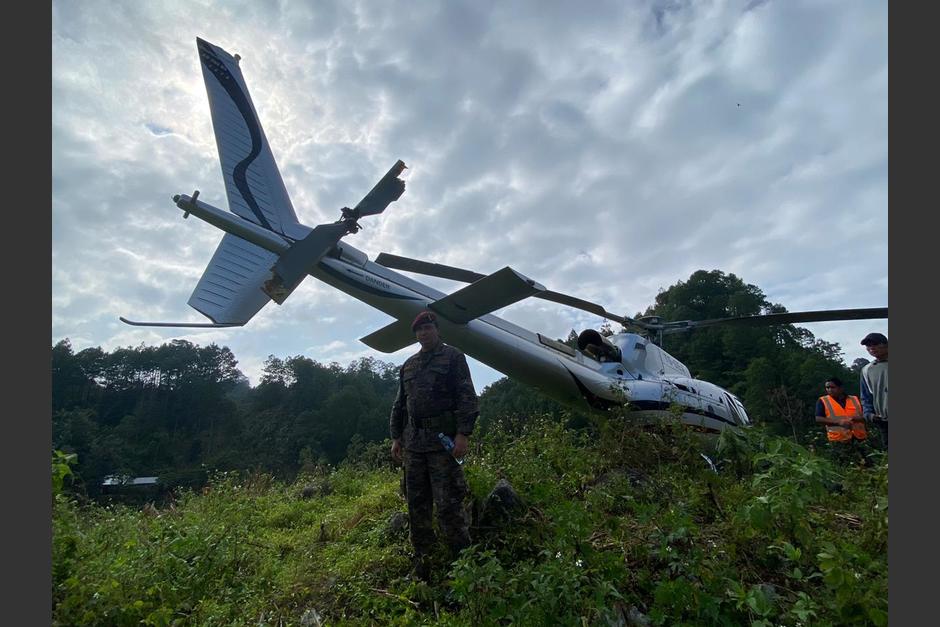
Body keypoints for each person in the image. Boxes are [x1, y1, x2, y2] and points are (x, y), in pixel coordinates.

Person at [390, 310, 479, 581]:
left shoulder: (453, 358)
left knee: (449, 505)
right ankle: (423, 565)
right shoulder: (408, 365)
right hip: (414, 445)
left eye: (427, 328)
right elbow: (400, 403)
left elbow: (467, 397)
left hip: (444, 445)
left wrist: (463, 434)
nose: (423, 334)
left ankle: (462, 567)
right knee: (417, 507)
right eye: (419, 330)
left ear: (436, 330)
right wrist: (396, 437)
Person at [815, 377, 868, 465]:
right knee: (844, 466)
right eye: (827, 388)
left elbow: (866, 416)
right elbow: (818, 418)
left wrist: (856, 419)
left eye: (832, 387)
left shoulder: (854, 399)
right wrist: (839, 422)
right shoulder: (823, 401)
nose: (829, 390)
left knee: (866, 464)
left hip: (859, 438)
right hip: (838, 439)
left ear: (840, 388)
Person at [859, 332, 889, 449]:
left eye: (875, 344)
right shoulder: (866, 370)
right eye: (868, 345)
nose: (872, 348)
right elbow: (866, 396)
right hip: (884, 420)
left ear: (886, 345)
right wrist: (869, 414)